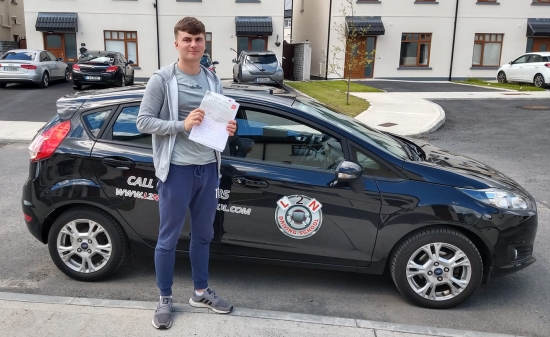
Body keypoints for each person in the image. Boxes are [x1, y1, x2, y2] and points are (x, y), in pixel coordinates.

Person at [136, 17, 237, 330]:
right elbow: (143, 122)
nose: (194, 45)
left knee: (203, 235)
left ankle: (200, 291)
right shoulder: (162, 80)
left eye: (199, 39)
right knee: (168, 237)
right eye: (187, 39)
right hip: (177, 169)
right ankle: (165, 298)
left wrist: (228, 128)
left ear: (205, 42)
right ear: (177, 42)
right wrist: (182, 125)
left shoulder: (213, 79)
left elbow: (216, 121)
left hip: (208, 168)